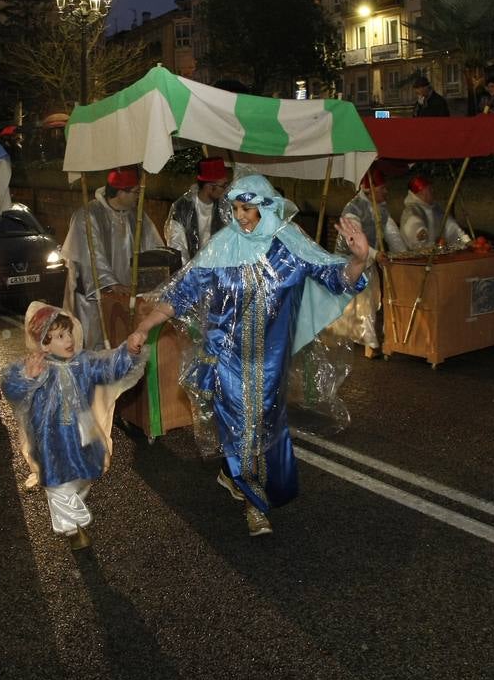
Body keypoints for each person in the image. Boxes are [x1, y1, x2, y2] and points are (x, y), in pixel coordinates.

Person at [126, 175, 371, 536]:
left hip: (271, 362)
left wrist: (359, 259)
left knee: (264, 427)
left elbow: (335, 277)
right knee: (245, 428)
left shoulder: (290, 245)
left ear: (267, 205)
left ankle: (234, 473)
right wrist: (143, 327)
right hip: (225, 357)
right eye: (235, 208)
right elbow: (180, 293)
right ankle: (255, 507)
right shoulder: (222, 247)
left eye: (247, 208)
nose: (239, 216)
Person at [1, 303, 146, 550]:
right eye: (59, 336)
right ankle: (72, 530)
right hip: (51, 438)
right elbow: (11, 386)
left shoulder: (83, 362)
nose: (68, 340)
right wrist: (28, 377)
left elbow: (108, 367)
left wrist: (129, 353)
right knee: (59, 484)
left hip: (83, 433)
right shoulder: (35, 366)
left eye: (68, 333)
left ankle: (73, 512)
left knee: (84, 478)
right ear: (44, 344)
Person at [61, 167, 163, 350]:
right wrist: (112, 284)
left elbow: (154, 249)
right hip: (94, 298)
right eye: (135, 192)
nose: (138, 197)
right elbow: (91, 257)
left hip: (127, 297)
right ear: (120, 192)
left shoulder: (137, 215)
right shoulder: (88, 216)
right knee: (96, 349)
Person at [327, 165, 406, 357]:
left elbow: (392, 234)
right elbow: (354, 239)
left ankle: (364, 339)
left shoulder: (382, 209)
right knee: (363, 302)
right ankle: (370, 343)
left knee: (369, 301)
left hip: (368, 261)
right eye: (382, 189)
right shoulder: (353, 209)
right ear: (370, 190)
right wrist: (376, 254)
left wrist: (403, 254)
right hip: (349, 262)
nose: (386, 192)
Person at [164, 156, 229, 265]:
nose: (226, 190)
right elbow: (177, 248)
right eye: (223, 186)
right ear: (209, 187)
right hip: (191, 273)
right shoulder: (181, 208)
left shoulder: (225, 207)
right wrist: (191, 274)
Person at [399, 174, 470, 249]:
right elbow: (413, 221)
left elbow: (450, 226)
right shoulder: (412, 209)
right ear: (422, 193)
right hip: (418, 256)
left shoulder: (435, 209)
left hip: (437, 253)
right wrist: (420, 231)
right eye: (429, 189)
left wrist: (466, 240)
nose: (433, 191)